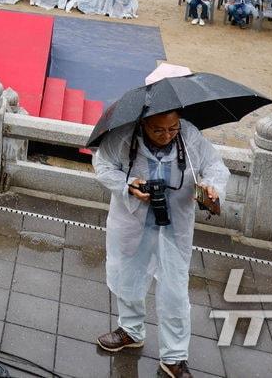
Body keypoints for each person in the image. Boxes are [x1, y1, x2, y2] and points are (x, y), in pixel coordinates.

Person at [94, 109, 229, 378]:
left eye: (172, 128)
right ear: (143, 123)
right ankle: (131, 330)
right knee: (128, 276)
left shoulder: (189, 136)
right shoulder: (123, 137)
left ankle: (175, 356)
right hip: (133, 222)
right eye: (158, 130)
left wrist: (212, 187)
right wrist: (129, 185)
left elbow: (215, 166)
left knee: (175, 291)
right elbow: (102, 165)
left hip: (175, 227)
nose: (167, 135)